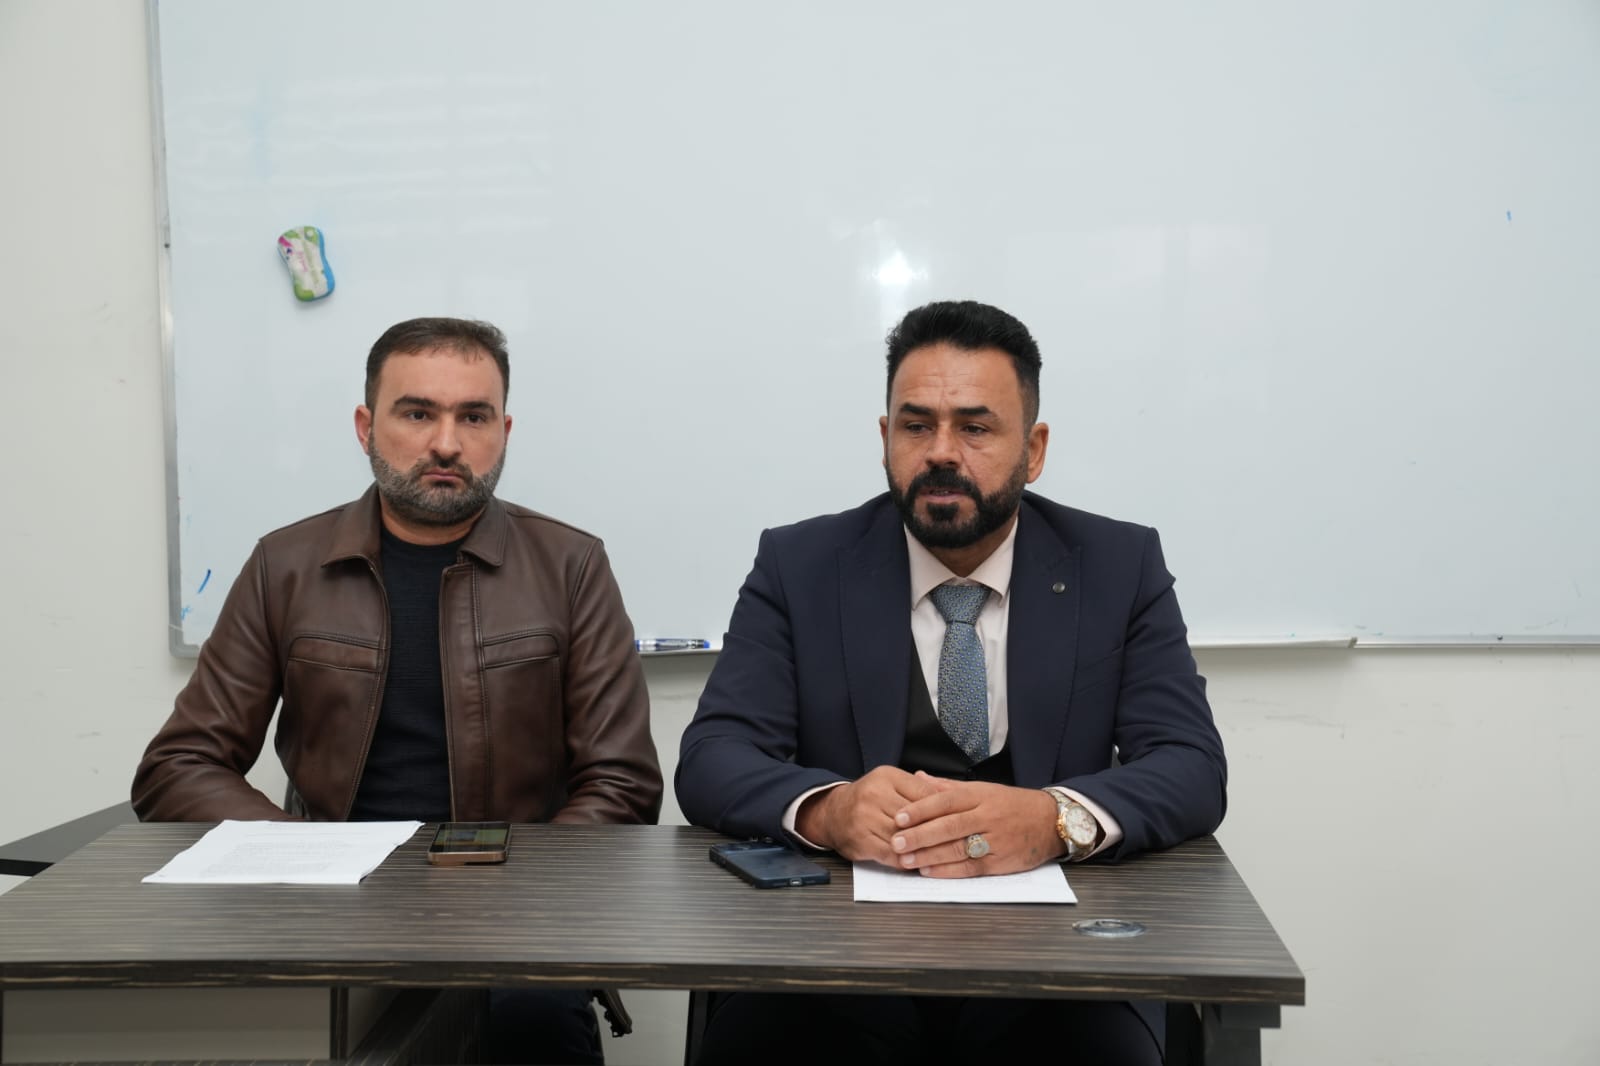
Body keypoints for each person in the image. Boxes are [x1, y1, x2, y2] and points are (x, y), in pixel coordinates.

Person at [676, 300, 1226, 1065]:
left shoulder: (1116, 565)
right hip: (833, 957)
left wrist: (1054, 819)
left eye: (974, 428)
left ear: (1033, 449)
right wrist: (831, 810)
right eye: (916, 426)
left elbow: (1190, 765)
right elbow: (714, 756)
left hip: (1055, 960)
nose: (940, 452)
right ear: (884, 438)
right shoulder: (800, 565)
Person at [134, 317, 661, 1065]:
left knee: (533, 1022)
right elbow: (178, 766)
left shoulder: (571, 565)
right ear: (365, 427)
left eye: (473, 417)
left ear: (504, 431)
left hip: (512, 914)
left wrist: (509, 892)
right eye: (417, 413)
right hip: (329, 908)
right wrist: (308, 859)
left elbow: (623, 782)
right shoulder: (286, 565)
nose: (446, 443)